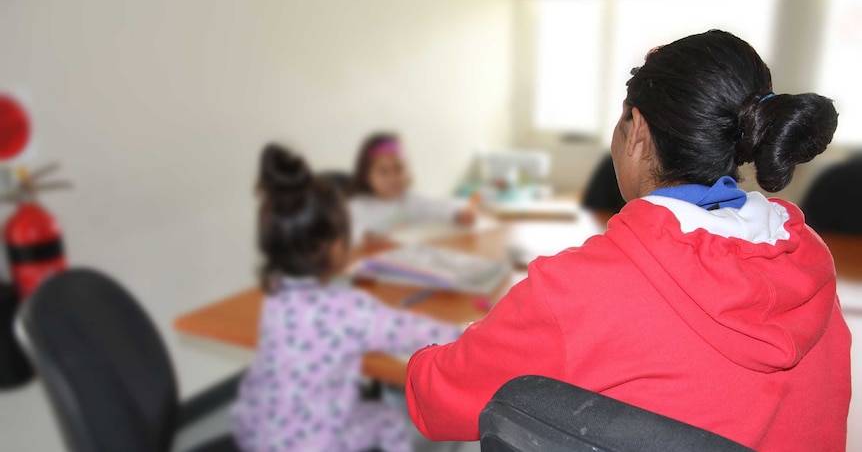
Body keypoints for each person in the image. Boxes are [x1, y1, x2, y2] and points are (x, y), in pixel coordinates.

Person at [404, 30, 850, 451]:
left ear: (636, 131)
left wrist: (452, 339)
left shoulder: (578, 289)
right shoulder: (808, 263)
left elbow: (435, 399)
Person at [232, 143, 462, 452]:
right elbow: (416, 334)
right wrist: (470, 333)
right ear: (337, 245)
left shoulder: (275, 298)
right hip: (316, 443)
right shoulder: (350, 310)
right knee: (390, 420)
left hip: (258, 433)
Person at [349, 132, 475, 244]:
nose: (393, 177)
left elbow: (440, 206)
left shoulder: (411, 199)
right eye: (383, 171)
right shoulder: (356, 207)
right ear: (366, 176)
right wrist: (365, 237)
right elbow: (344, 235)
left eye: (399, 168)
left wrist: (458, 214)